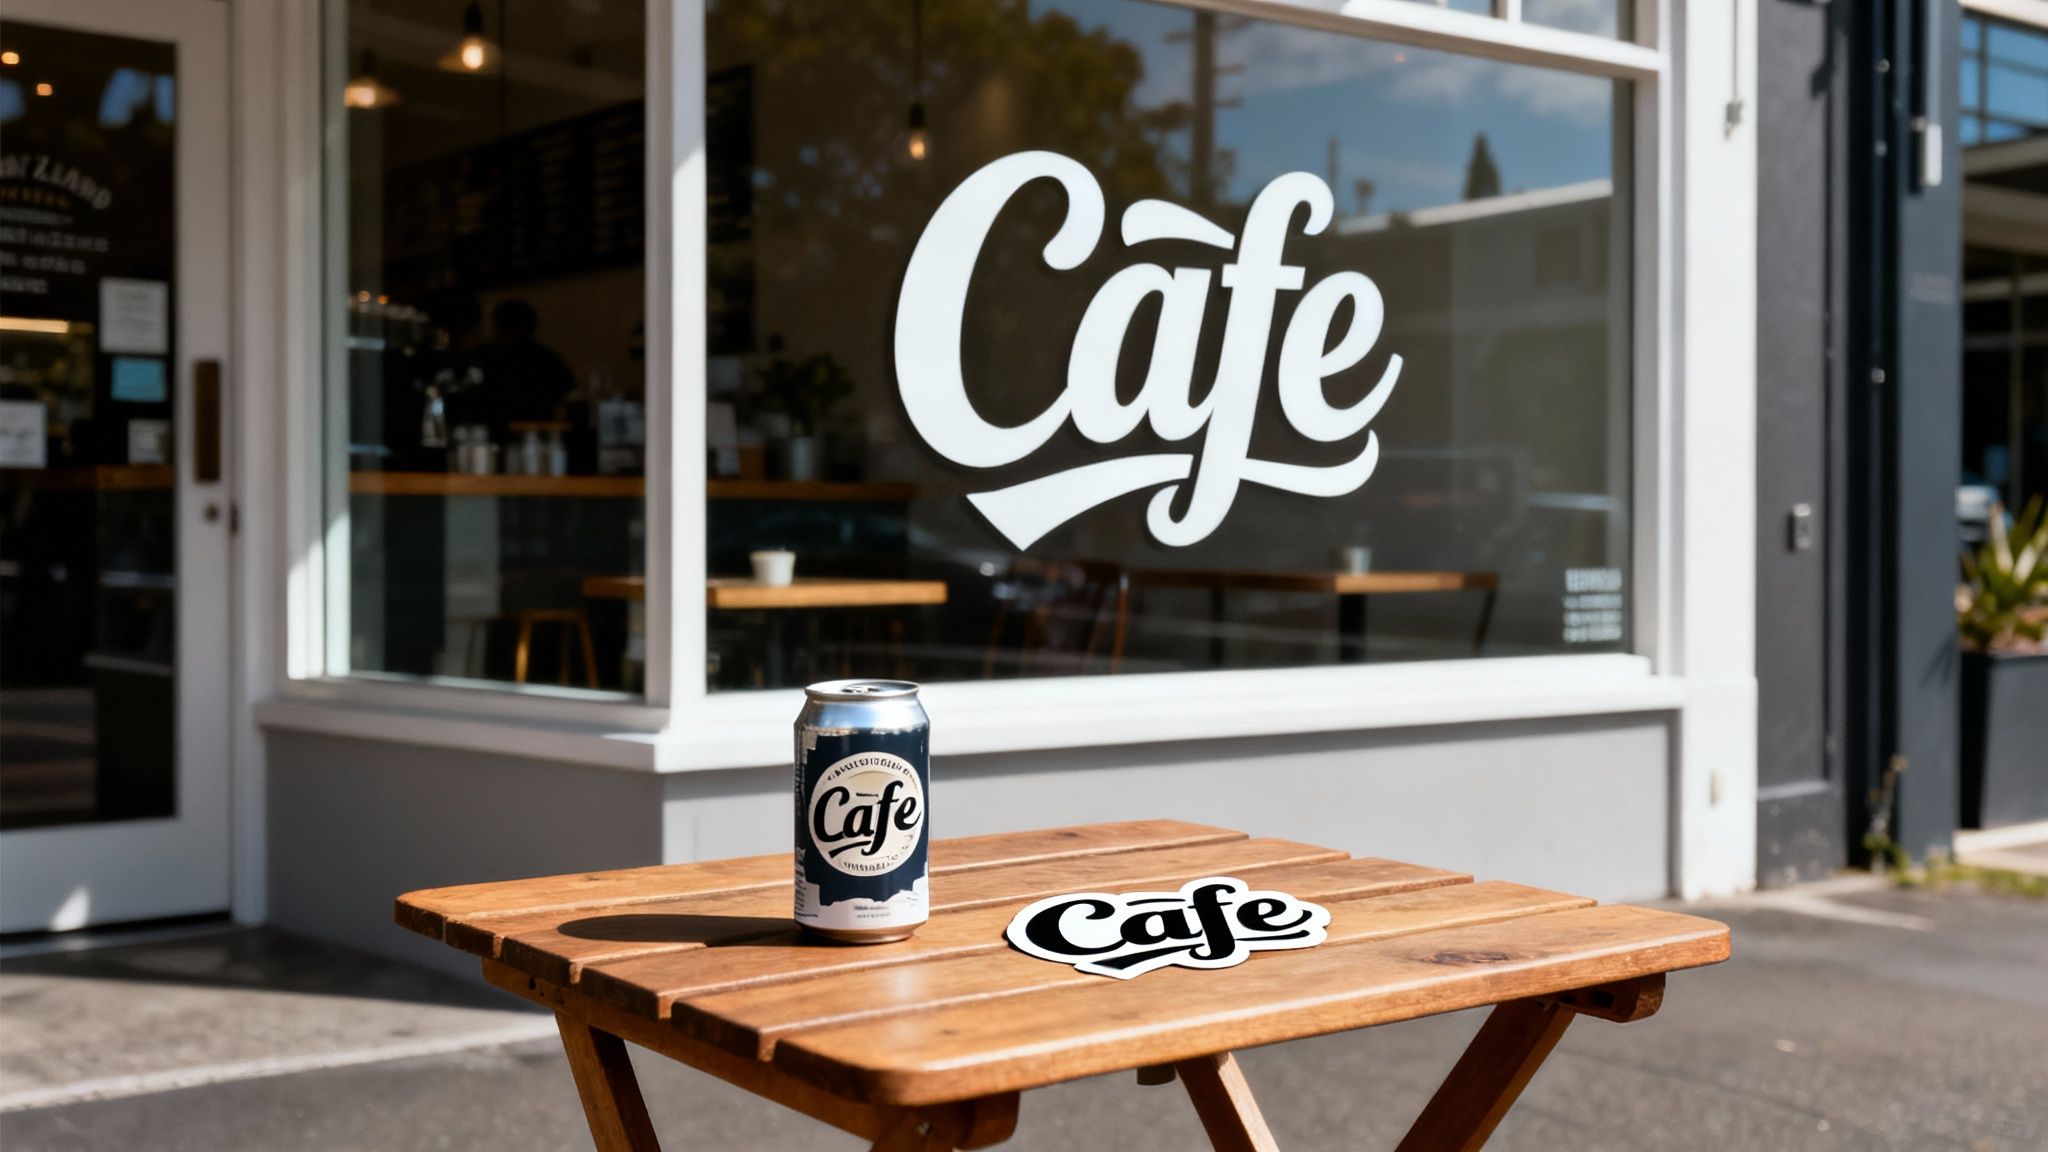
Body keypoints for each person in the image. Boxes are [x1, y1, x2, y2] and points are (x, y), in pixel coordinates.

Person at [468, 299, 576, 440]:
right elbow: (569, 393)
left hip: (490, 438)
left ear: (497, 325)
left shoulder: (483, 357)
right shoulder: (548, 358)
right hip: (540, 438)